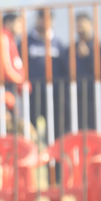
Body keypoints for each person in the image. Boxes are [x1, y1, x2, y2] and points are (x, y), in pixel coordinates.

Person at [26, 8, 68, 139]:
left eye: (49, 19)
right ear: (37, 20)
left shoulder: (57, 43)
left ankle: (55, 151)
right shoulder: (27, 42)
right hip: (33, 92)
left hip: (54, 92)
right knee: (31, 125)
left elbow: (64, 67)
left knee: (55, 125)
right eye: (42, 18)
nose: (45, 22)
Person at [0, 12, 25, 121]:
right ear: (8, 23)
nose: (21, 26)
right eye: (18, 23)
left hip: (7, 85)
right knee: (8, 121)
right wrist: (21, 81)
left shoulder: (8, 38)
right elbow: (5, 68)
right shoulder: (3, 38)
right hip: (6, 86)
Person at [74, 12, 101, 131]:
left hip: (95, 95)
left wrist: (88, 57)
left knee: (96, 127)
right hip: (76, 95)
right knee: (77, 129)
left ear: (91, 25)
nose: (80, 28)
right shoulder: (71, 49)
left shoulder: (100, 47)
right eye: (78, 25)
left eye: (83, 25)